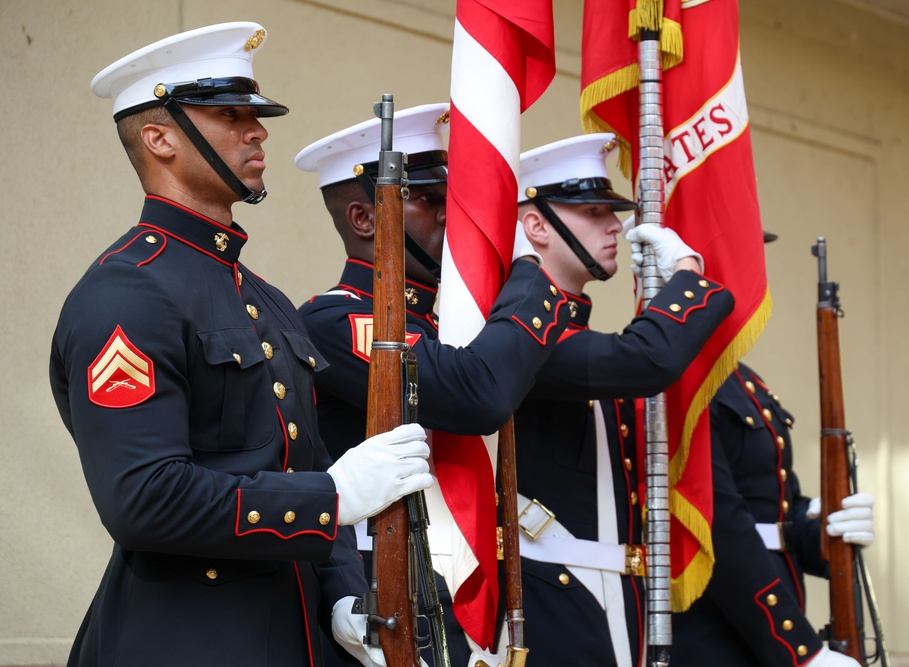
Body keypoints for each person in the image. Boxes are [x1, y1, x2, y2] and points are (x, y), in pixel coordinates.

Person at [49, 22, 432, 667]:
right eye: (230, 115)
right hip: (185, 642)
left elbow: (308, 467)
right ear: (160, 139)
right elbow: (143, 499)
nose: (258, 132)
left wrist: (342, 595)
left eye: (254, 115)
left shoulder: (264, 298)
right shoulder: (126, 293)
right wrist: (332, 499)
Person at [295, 105, 574, 665]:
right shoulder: (336, 322)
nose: (452, 215)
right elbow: (480, 394)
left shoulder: (444, 327)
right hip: (382, 591)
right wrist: (532, 273)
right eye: (427, 199)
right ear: (365, 218)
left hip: (455, 593)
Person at [495, 133, 735, 667]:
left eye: (611, 212)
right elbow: (645, 360)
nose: (615, 227)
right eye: (593, 212)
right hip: (553, 606)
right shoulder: (522, 338)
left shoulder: (573, 333)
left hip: (610, 605)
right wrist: (687, 273)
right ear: (536, 226)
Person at [670, 250, 876, 665]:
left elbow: (775, 510)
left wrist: (822, 527)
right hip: (719, 635)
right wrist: (799, 650)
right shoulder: (684, 378)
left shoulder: (743, 379)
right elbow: (721, 530)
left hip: (771, 621)